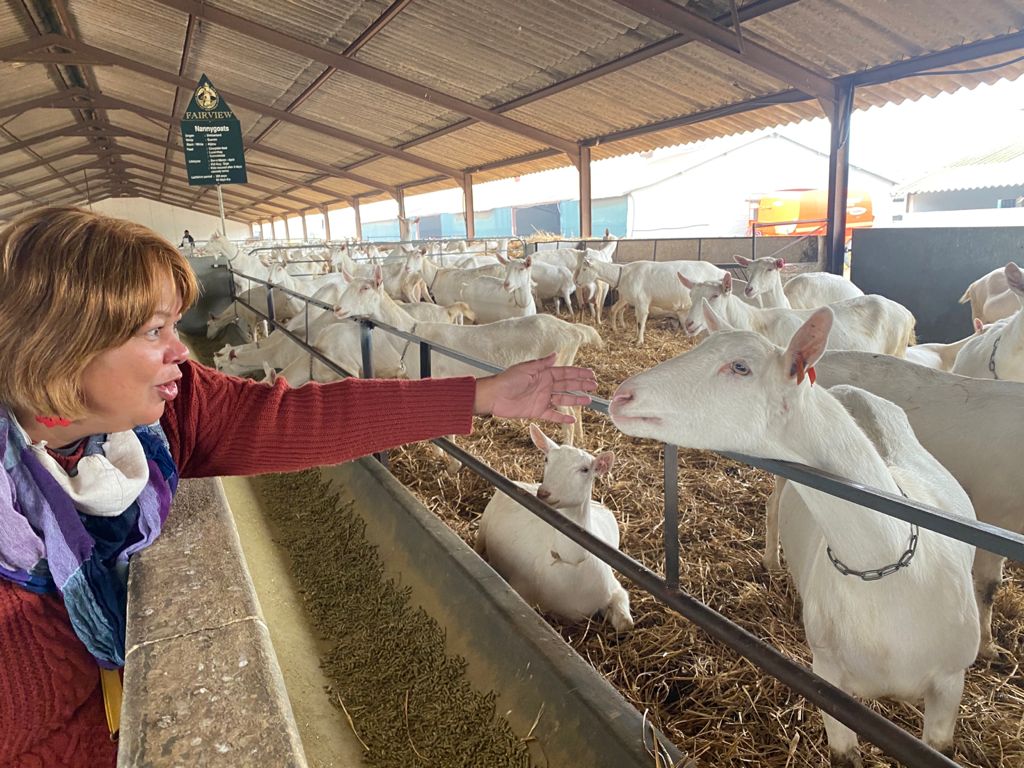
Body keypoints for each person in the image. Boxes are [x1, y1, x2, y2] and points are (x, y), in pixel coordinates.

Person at [0, 206, 596, 766]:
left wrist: (482, 396)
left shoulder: (157, 423)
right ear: (62, 351)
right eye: (155, 330)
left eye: (175, 326)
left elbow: (300, 417)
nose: (181, 351)